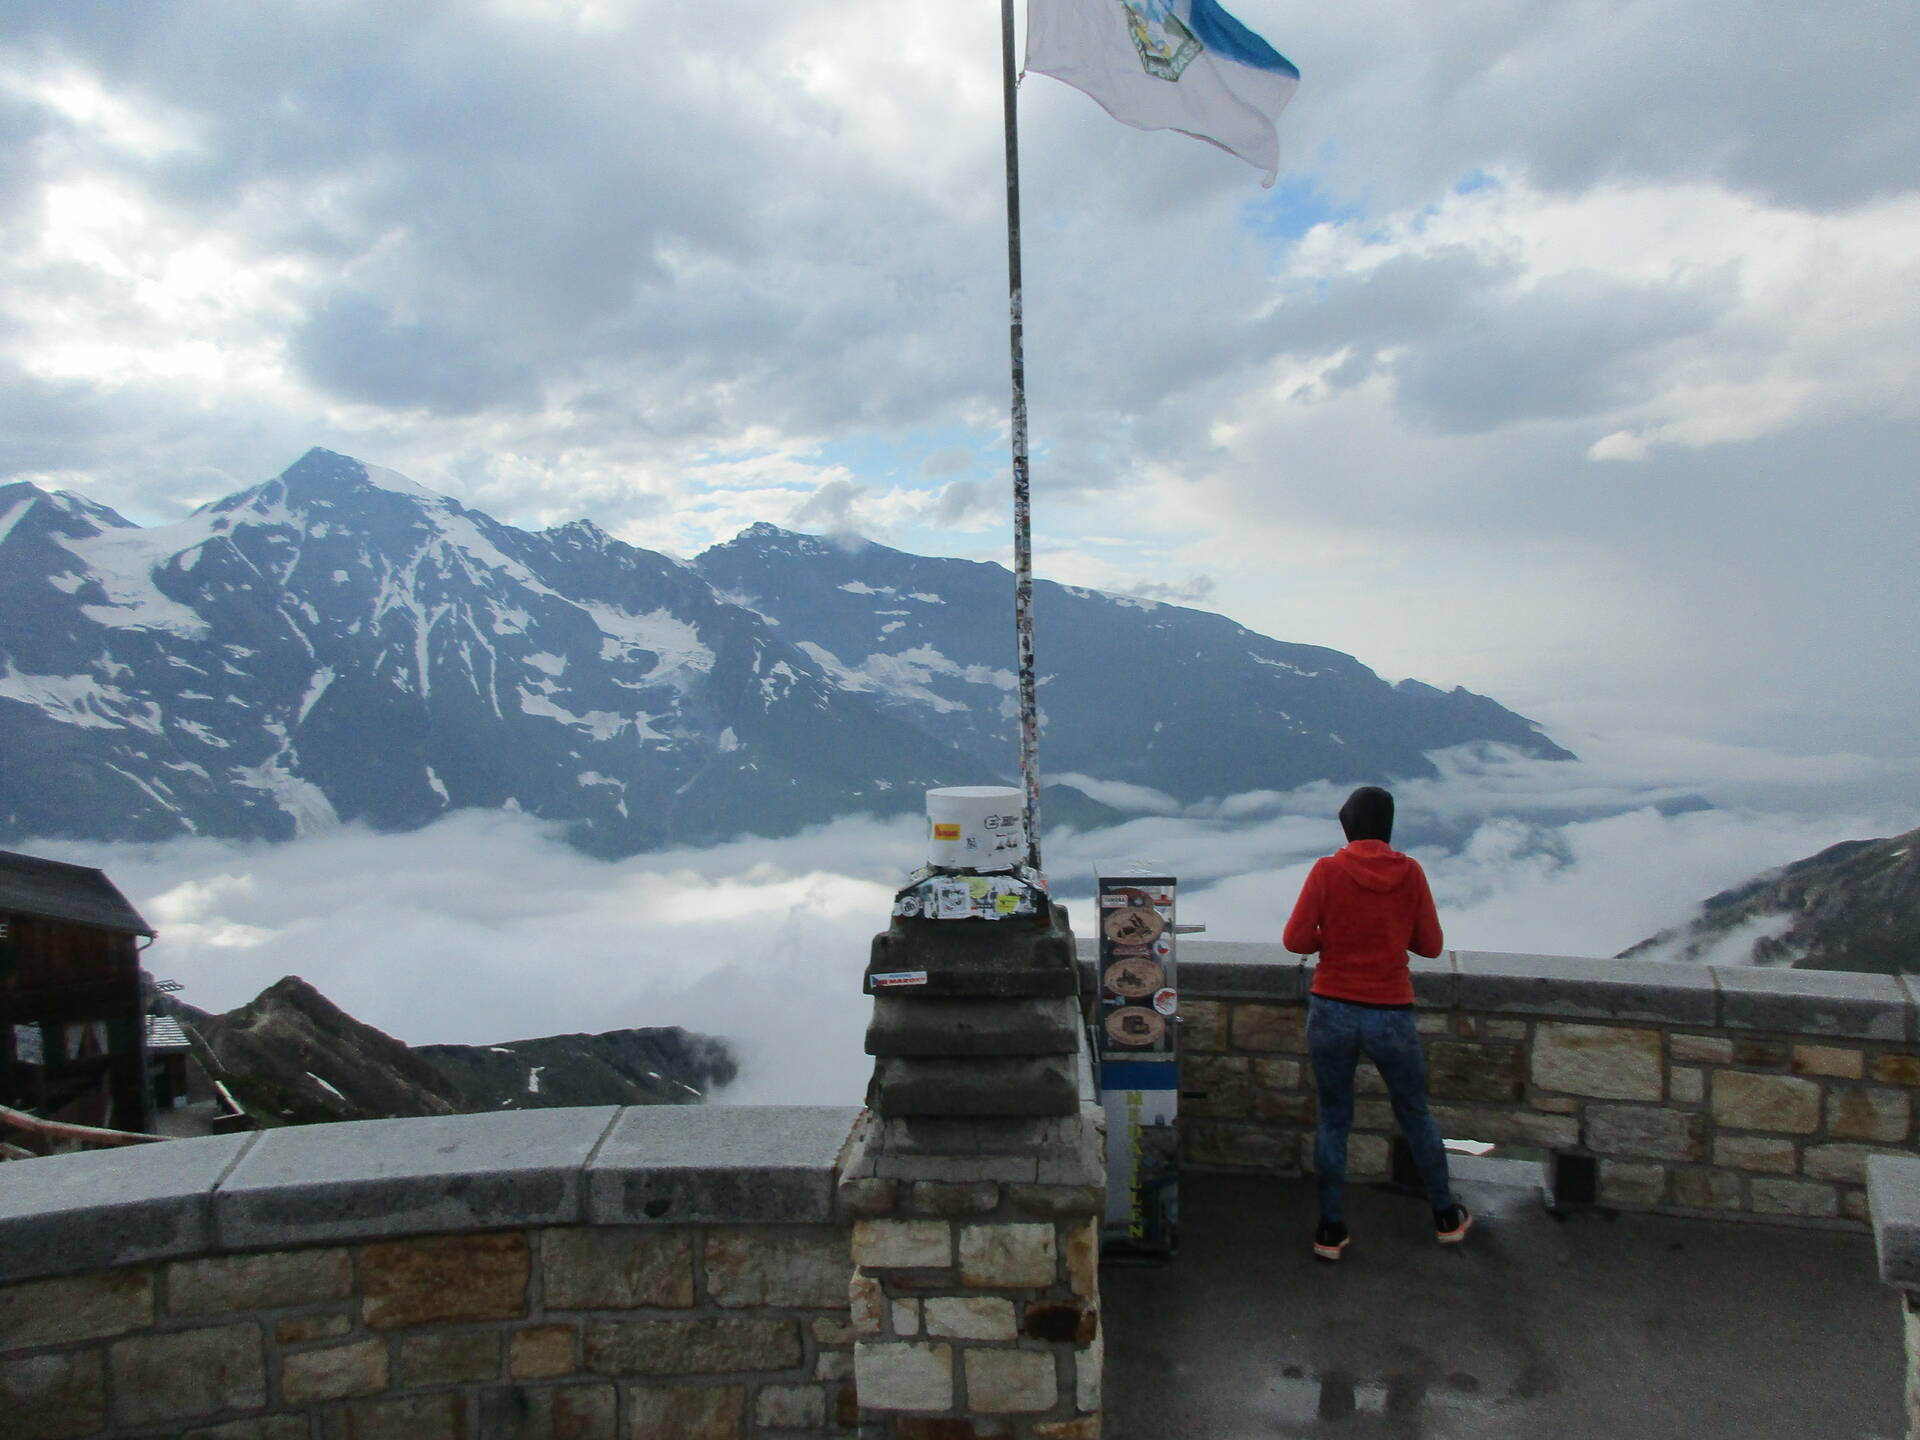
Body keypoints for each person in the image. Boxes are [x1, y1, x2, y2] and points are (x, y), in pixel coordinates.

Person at [1283, 785, 1471, 1260]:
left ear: (1347, 826)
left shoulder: (1327, 871)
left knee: (1334, 1118)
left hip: (1332, 1008)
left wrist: (1332, 939)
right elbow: (1431, 946)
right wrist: (1389, 935)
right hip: (1390, 1010)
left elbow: (1296, 939)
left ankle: (1330, 1230)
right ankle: (1446, 1216)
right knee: (1414, 1113)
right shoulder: (1411, 873)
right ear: (1388, 826)